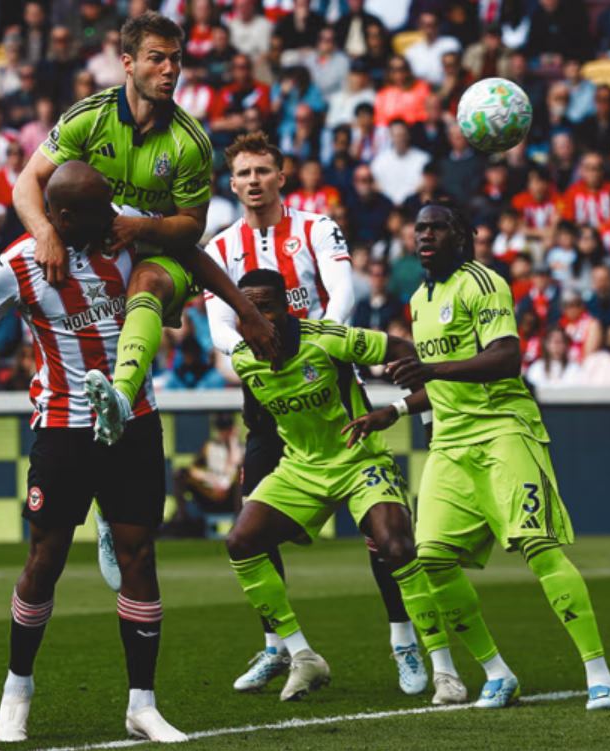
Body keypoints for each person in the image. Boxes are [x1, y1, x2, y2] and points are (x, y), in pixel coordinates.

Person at [0, 161, 187, 743]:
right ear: (64, 215)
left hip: (134, 420)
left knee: (140, 557)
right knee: (45, 559)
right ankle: (17, 689)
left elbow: (187, 260)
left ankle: (142, 705)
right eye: (100, 209)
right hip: (63, 429)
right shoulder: (18, 264)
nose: (113, 217)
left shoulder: (128, 242)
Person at [348, 202, 610, 711]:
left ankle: (598, 674)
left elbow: (504, 358)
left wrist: (432, 371)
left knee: (539, 547)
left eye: (437, 227)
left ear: (462, 236)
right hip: (451, 443)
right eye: (420, 228)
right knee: (431, 560)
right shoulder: (419, 299)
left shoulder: (484, 282)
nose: (425, 235)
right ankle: (497, 672)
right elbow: (441, 381)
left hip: (502, 431)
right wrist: (395, 410)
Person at [199, 132, 433, 698]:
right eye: (243, 173)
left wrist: (309, 345)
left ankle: (403, 638)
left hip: (326, 376)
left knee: (380, 530)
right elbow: (219, 328)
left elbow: (341, 297)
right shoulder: (221, 248)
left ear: (281, 176)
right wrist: (259, 354)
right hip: (266, 391)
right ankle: (278, 646)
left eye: (263, 171)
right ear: (232, 184)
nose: (253, 181)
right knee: (253, 523)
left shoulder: (316, 228)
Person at [12, 12, 275, 450]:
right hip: (96, 252)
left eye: (176, 59)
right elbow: (26, 184)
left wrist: (139, 227)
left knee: (147, 279)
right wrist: (45, 233)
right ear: (128, 63)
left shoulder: (190, 142)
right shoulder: (89, 118)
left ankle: (120, 396)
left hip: (159, 253)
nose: (170, 69)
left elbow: (191, 228)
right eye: (157, 58)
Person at [223, 268, 464, 704]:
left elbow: (401, 349)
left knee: (396, 546)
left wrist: (415, 411)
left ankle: (441, 667)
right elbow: (257, 417)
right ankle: (301, 655)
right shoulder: (243, 358)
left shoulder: (327, 339)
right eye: (247, 312)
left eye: (266, 308)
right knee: (241, 541)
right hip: (302, 469)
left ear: (287, 307)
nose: (257, 319)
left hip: (359, 460)